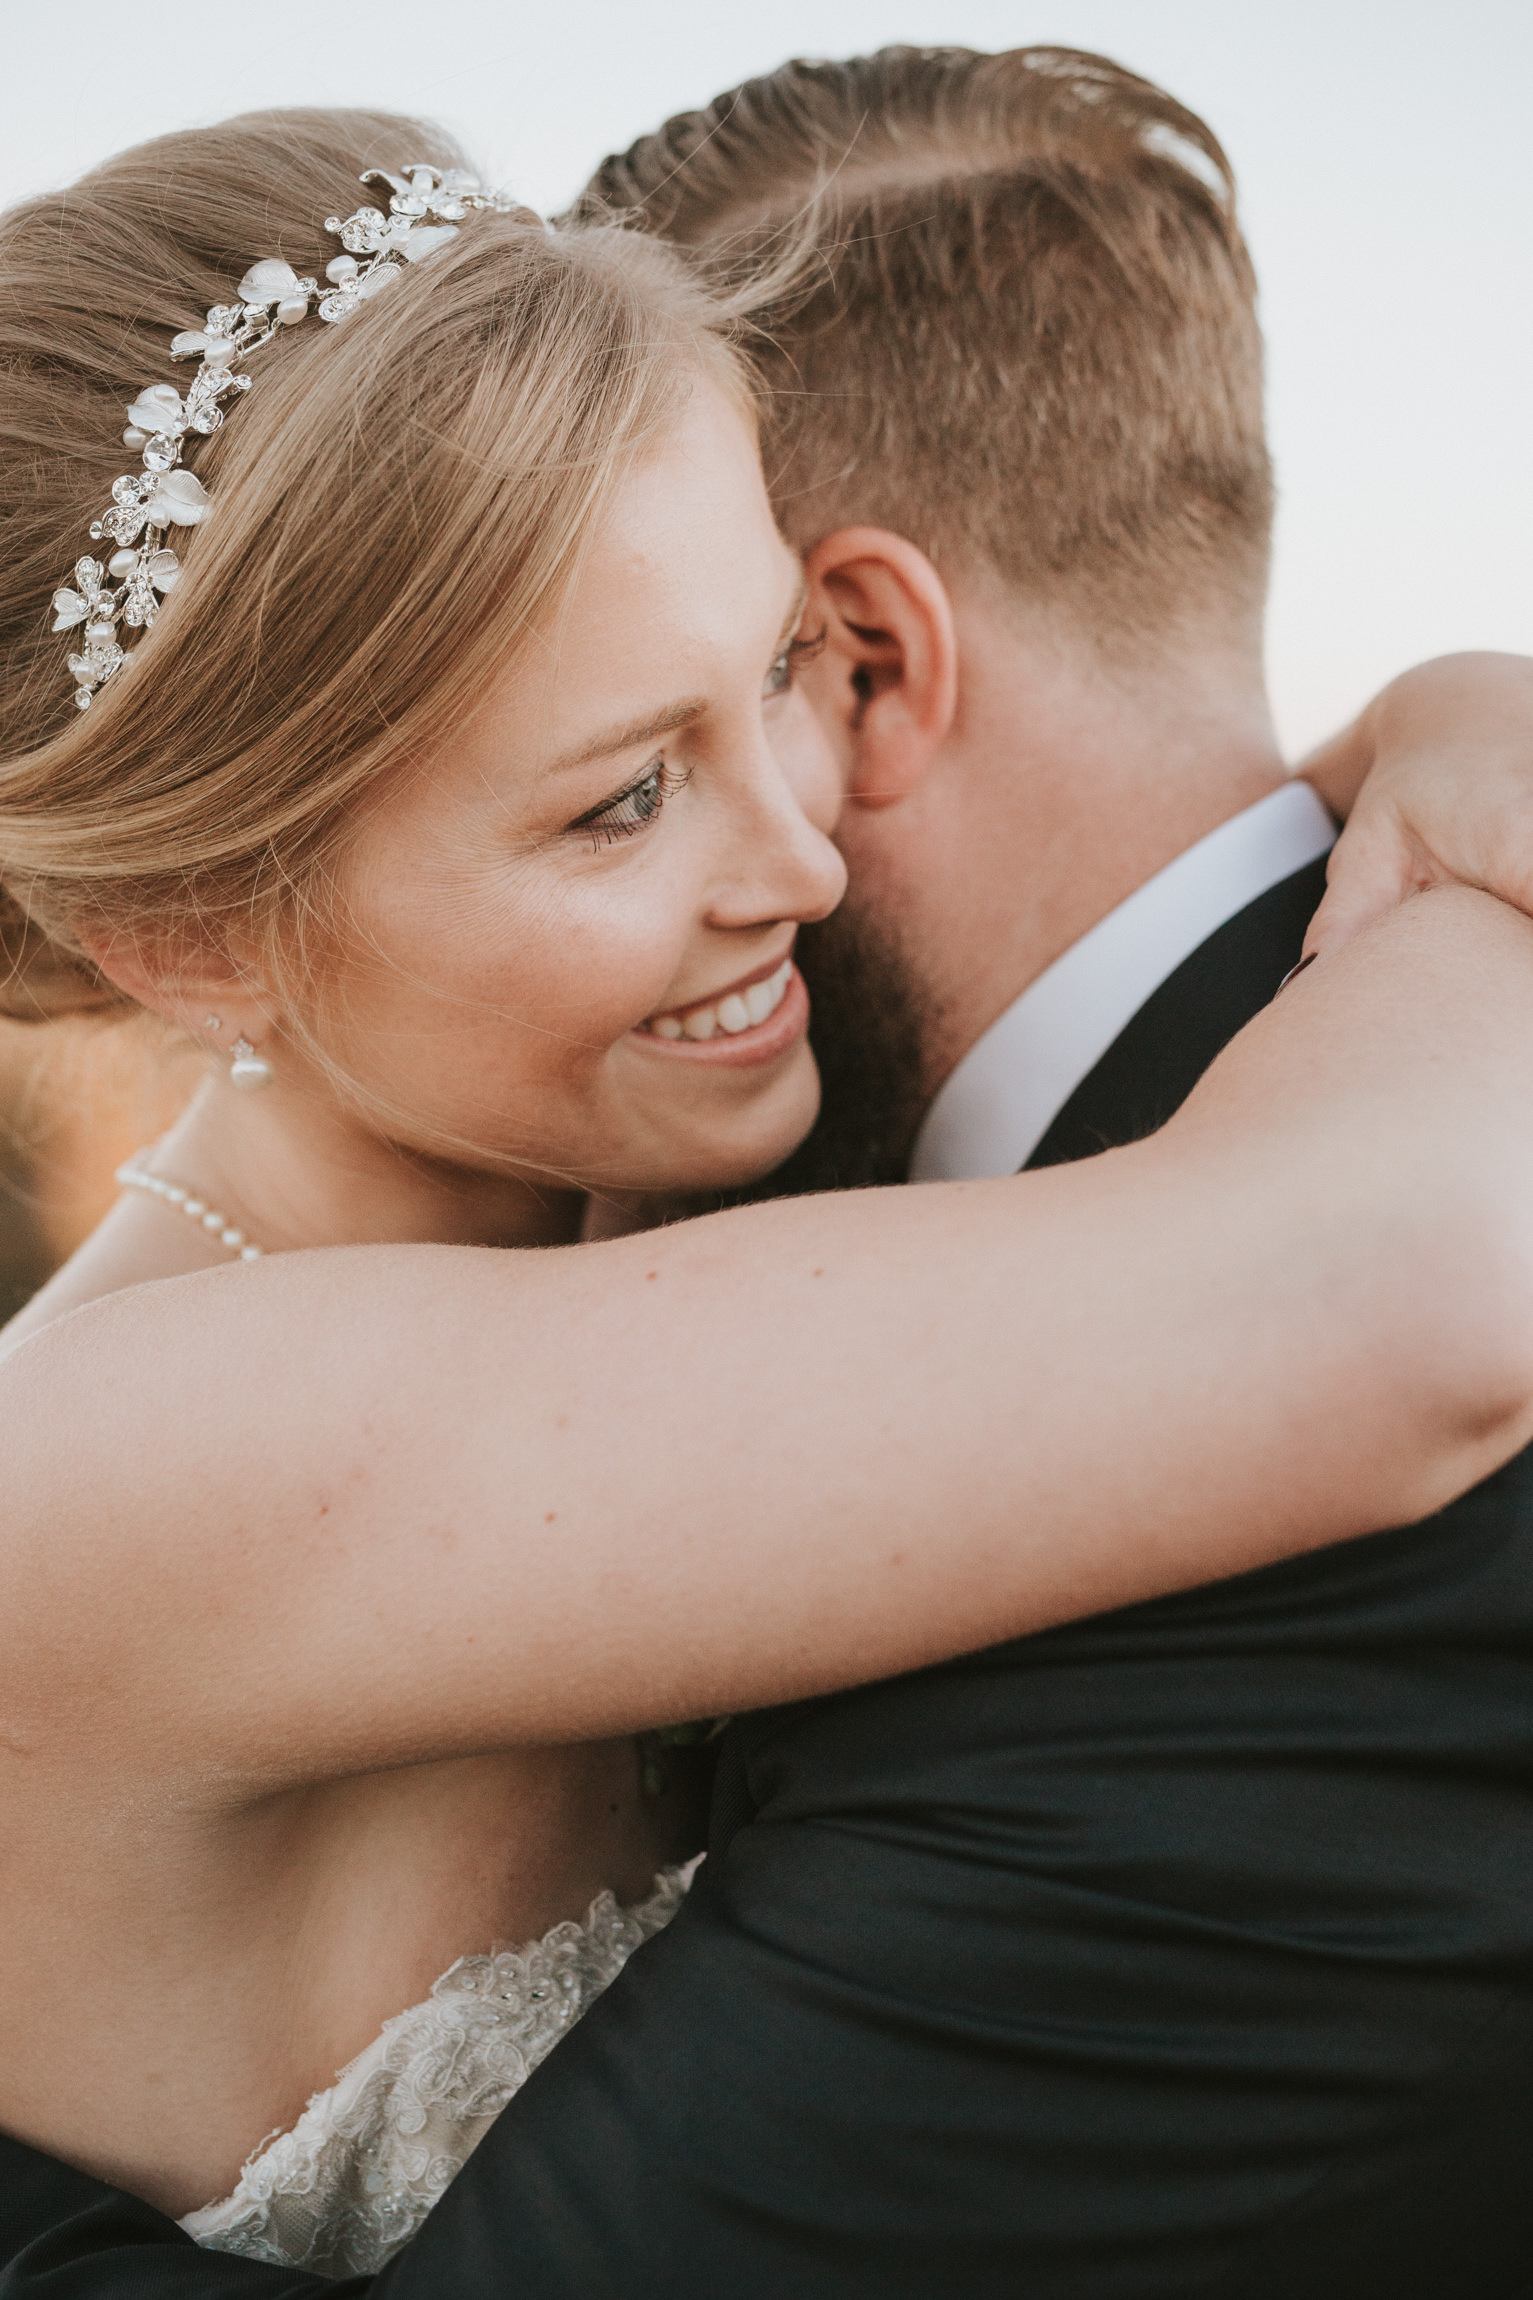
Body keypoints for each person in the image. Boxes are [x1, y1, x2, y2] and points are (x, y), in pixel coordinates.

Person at [3, 58, 1533, 2300]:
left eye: (783, 675)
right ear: (195, 933)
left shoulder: (635, 1211)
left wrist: (1408, 725)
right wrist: (1472, 779)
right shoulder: (129, 1449)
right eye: (623, 802)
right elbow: (1404, 1296)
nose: (806, 851)